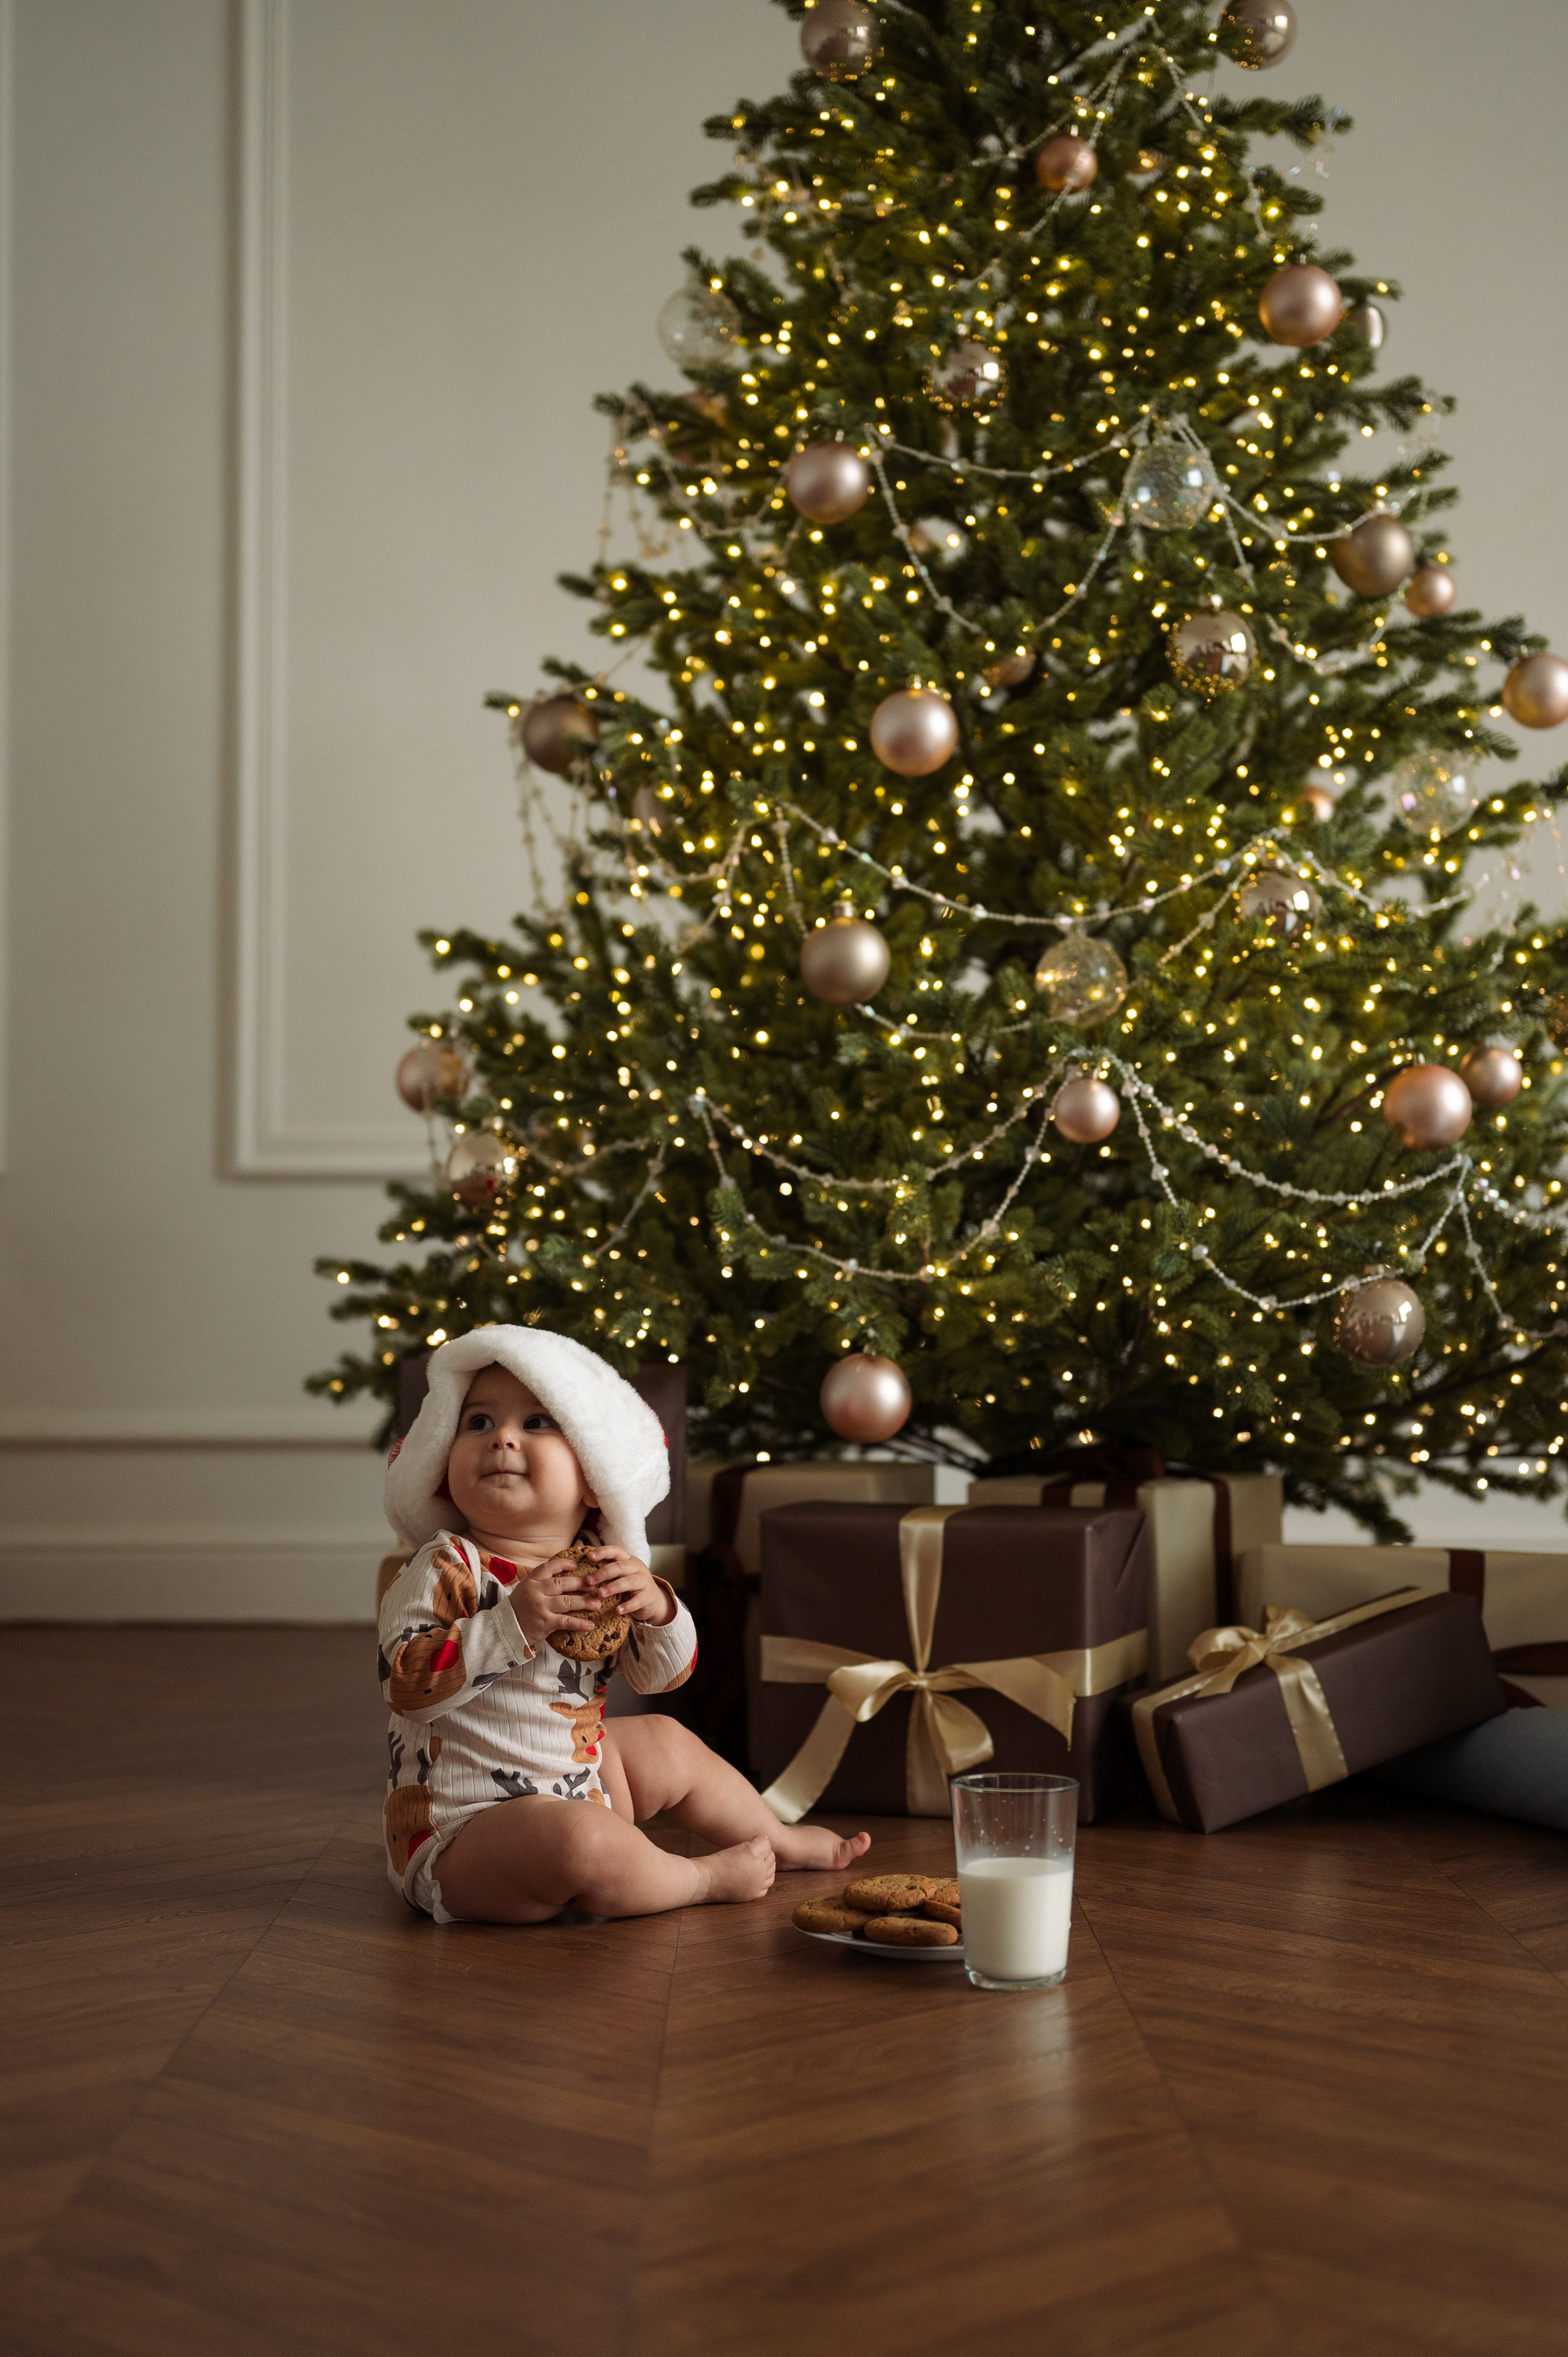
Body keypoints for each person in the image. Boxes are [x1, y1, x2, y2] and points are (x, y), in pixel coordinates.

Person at [379, 1326, 870, 1923]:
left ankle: (777, 1837)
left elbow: (662, 1676)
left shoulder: (603, 1570)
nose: (502, 1437)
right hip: (468, 1835)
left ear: (593, 1476)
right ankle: (699, 1878)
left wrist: (659, 1610)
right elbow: (405, 1685)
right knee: (580, 1839)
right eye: (478, 1422)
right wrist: (513, 1622)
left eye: (536, 1423)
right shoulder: (443, 1567)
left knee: (664, 1738)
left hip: (580, 1781)